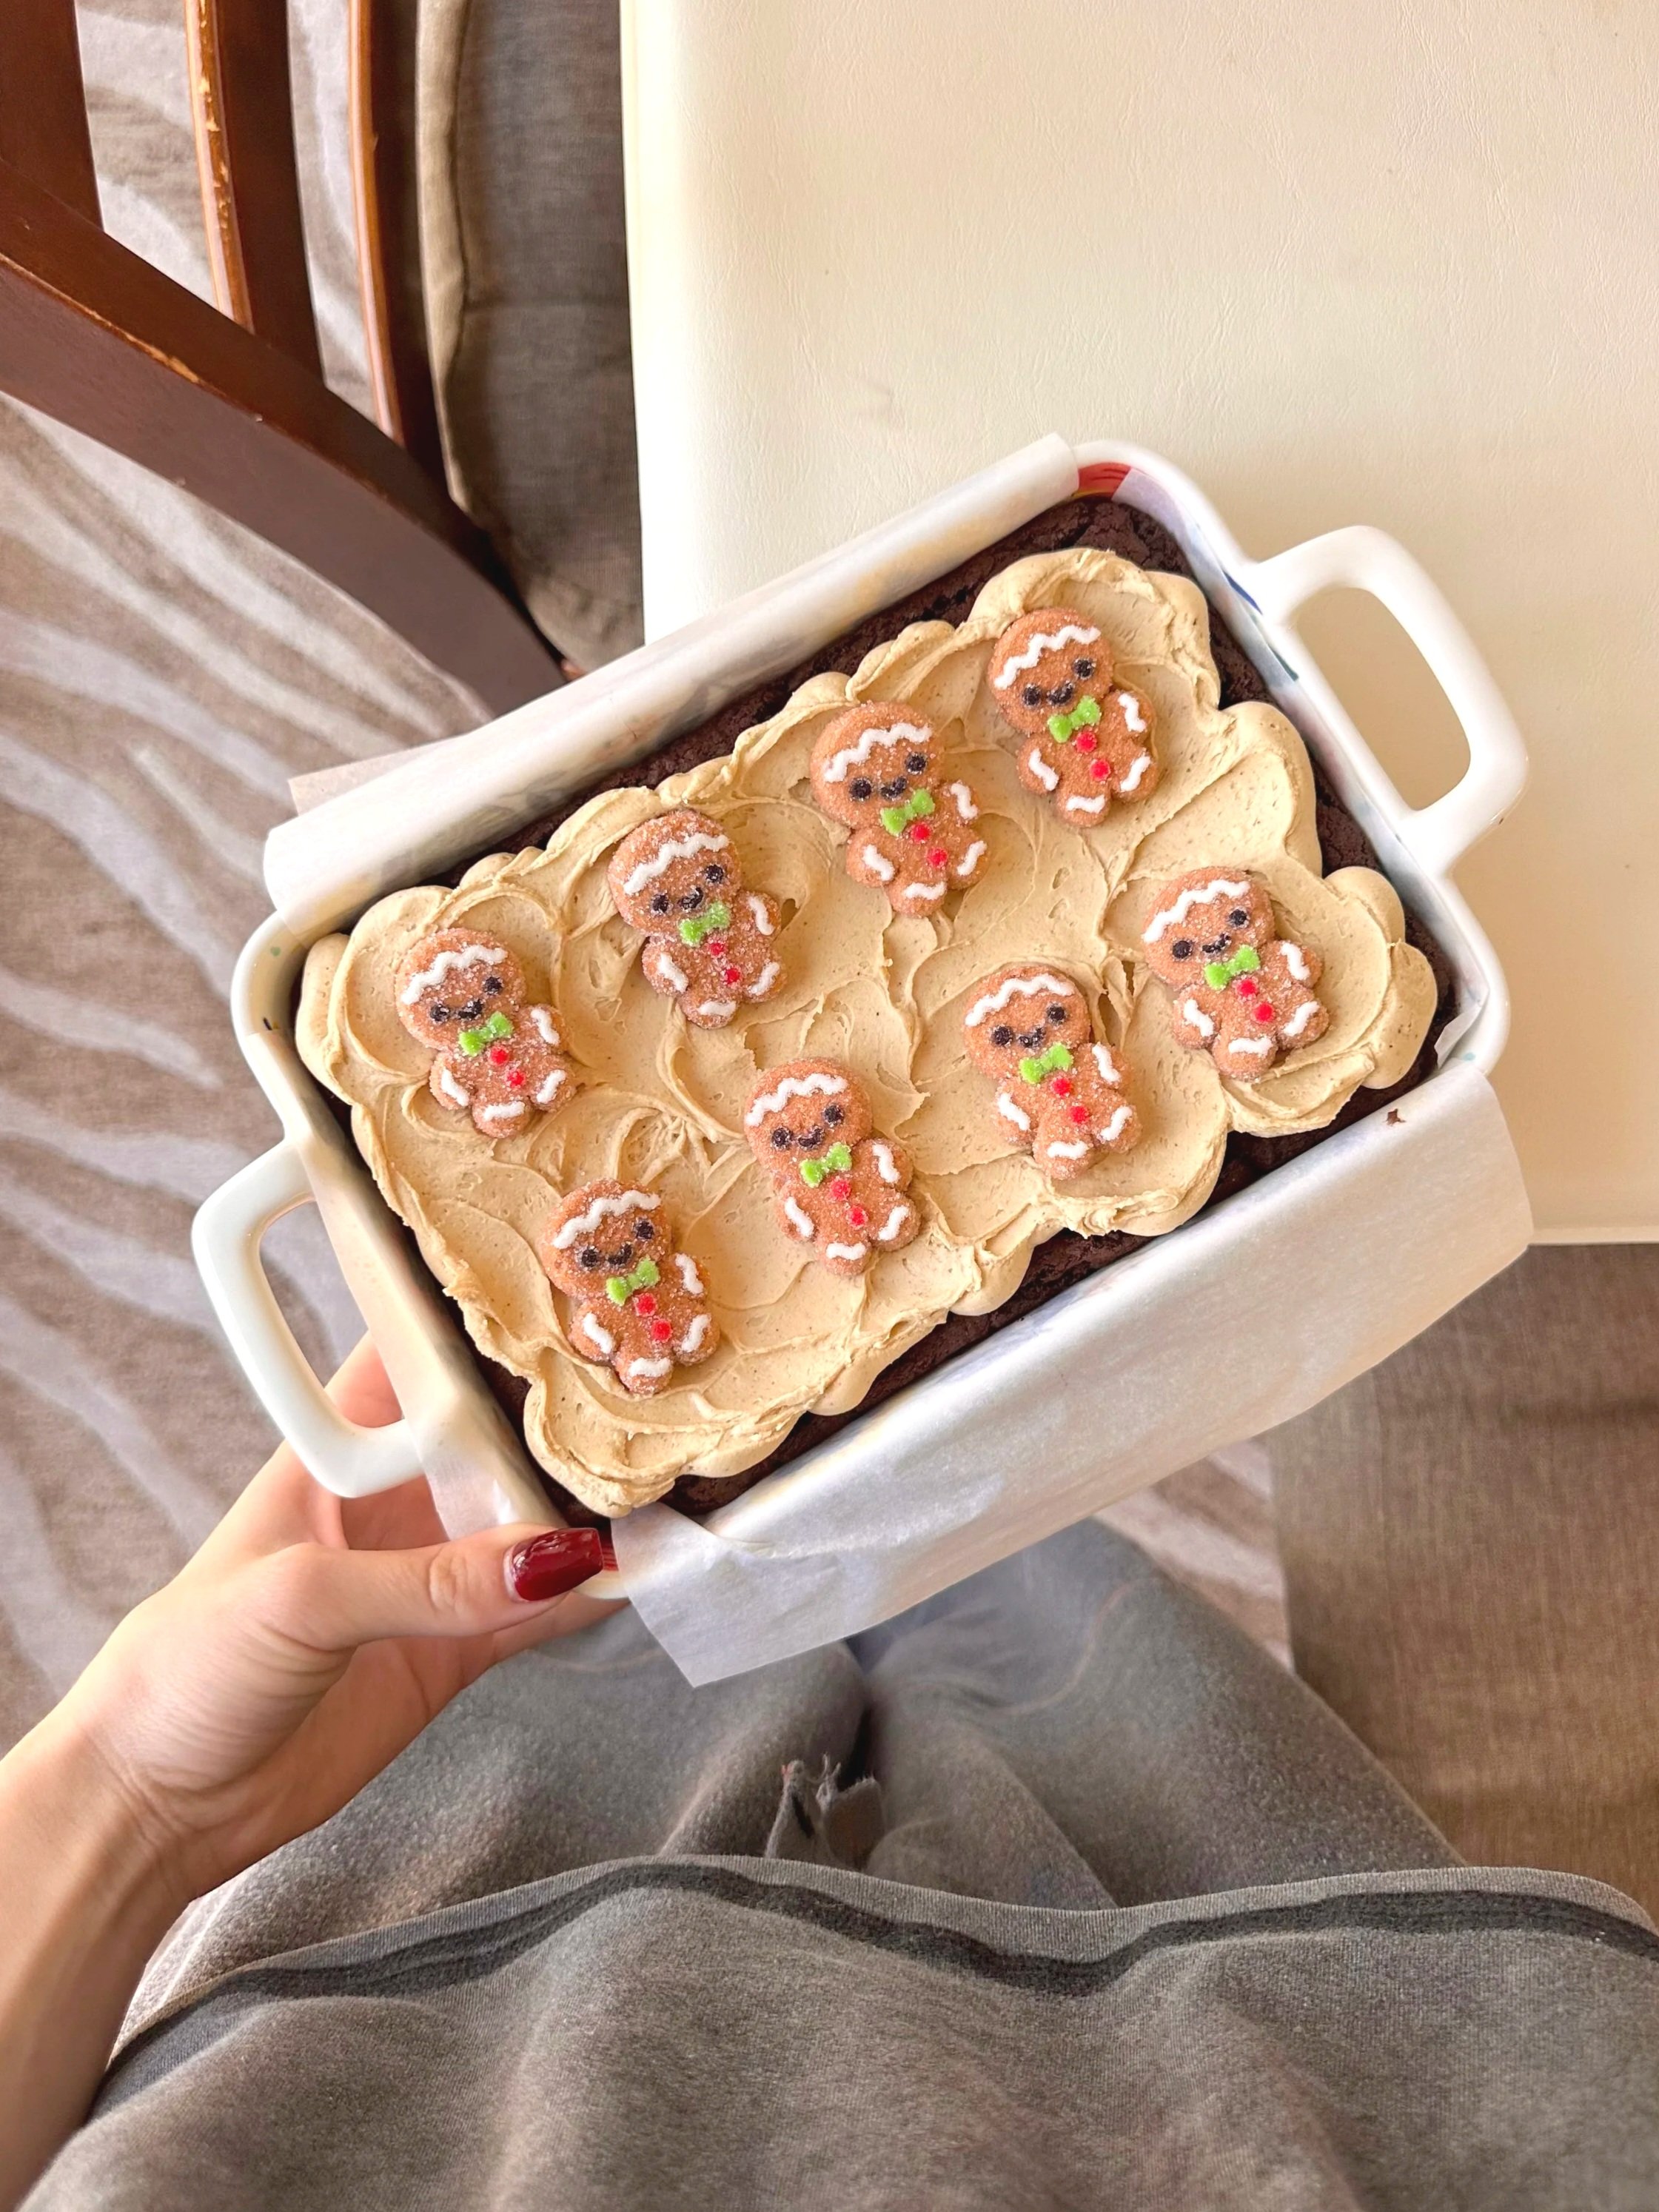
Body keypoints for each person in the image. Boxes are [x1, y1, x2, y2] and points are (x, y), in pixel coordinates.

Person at [2, 1342, 1655, 2211]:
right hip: (1346, 2009)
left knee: (628, 1497)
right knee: (1017, 1525)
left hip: (454, 1941)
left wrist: (129, 1801)